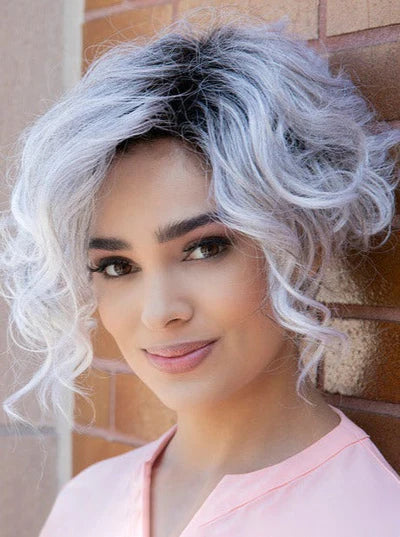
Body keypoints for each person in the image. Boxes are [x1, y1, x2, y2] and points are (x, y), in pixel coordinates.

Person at [0, 8, 399, 537]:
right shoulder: (84, 503)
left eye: (204, 249)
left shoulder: (372, 518)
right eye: (117, 266)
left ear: (302, 243)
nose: (159, 312)